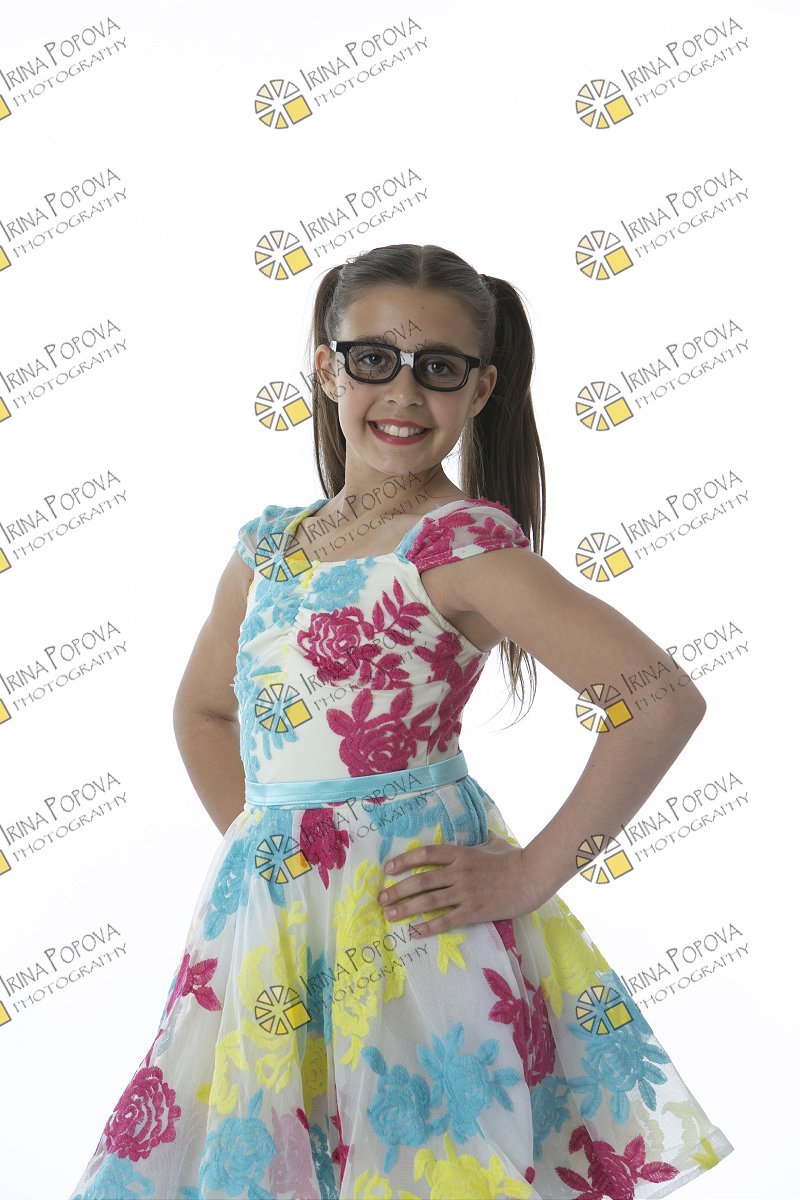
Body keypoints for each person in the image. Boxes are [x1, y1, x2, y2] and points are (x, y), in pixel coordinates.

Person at [67, 243, 734, 1200]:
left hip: (415, 931)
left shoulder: (461, 550)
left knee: (421, 1158)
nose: (404, 393)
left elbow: (659, 700)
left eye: (440, 368)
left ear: (481, 388)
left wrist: (531, 874)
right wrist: (275, 858)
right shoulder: (269, 551)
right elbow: (204, 710)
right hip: (274, 930)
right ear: (326, 367)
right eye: (374, 359)